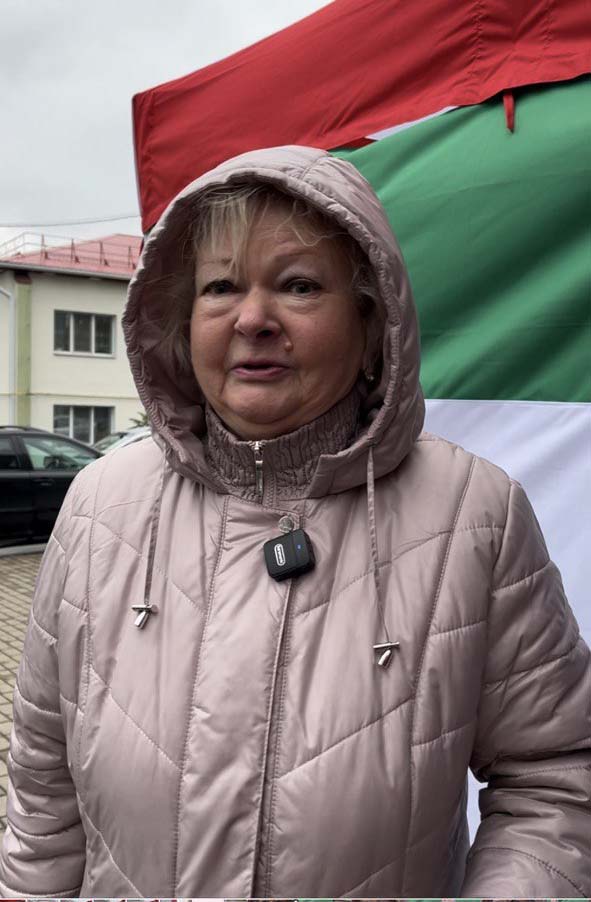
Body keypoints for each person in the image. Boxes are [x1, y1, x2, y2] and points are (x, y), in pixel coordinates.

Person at [0, 145, 589, 898]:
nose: (253, 319)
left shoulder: (475, 514)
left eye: (298, 285)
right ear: (182, 320)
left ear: (371, 323)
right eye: (220, 287)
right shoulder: (100, 505)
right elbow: (43, 786)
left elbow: (554, 779)